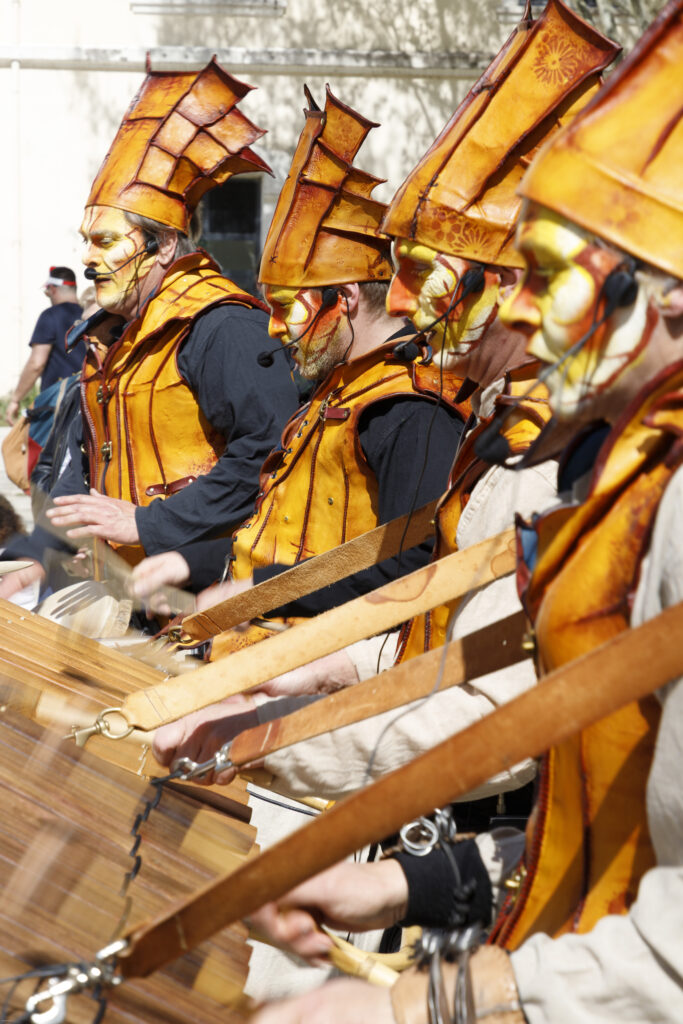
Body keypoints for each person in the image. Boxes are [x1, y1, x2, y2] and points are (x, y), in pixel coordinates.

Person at [244, 2, 683, 1020]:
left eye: (547, 277)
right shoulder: (637, 468)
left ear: (664, 295)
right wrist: (408, 883)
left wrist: (432, 1000)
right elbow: (609, 821)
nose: (514, 311)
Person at [150, 0, 618, 828]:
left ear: (512, 287)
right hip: (378, 735)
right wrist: (286, 651)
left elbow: (487, 694)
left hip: (472, 811)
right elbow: (437, 624)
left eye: (423, 273)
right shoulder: (491, 428)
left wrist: (271, 729)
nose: (400, 302)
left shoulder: (530, 448)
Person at [1, 59, 298, 597]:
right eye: (86, 241)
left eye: (106, 241)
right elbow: (81, 482)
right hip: (122, 595)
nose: (87, 259)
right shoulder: (110, 339)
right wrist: (37, 559)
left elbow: (270, 450)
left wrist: (149, 523)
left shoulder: (223, 325)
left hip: (207, 597)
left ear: (162, 247)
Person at [5, 267, 85, 428]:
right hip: (88, 402)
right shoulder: (90, 315)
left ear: (53, 289)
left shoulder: (50, 316)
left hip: (58, 405)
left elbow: (36, 363)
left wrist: (15, 399)